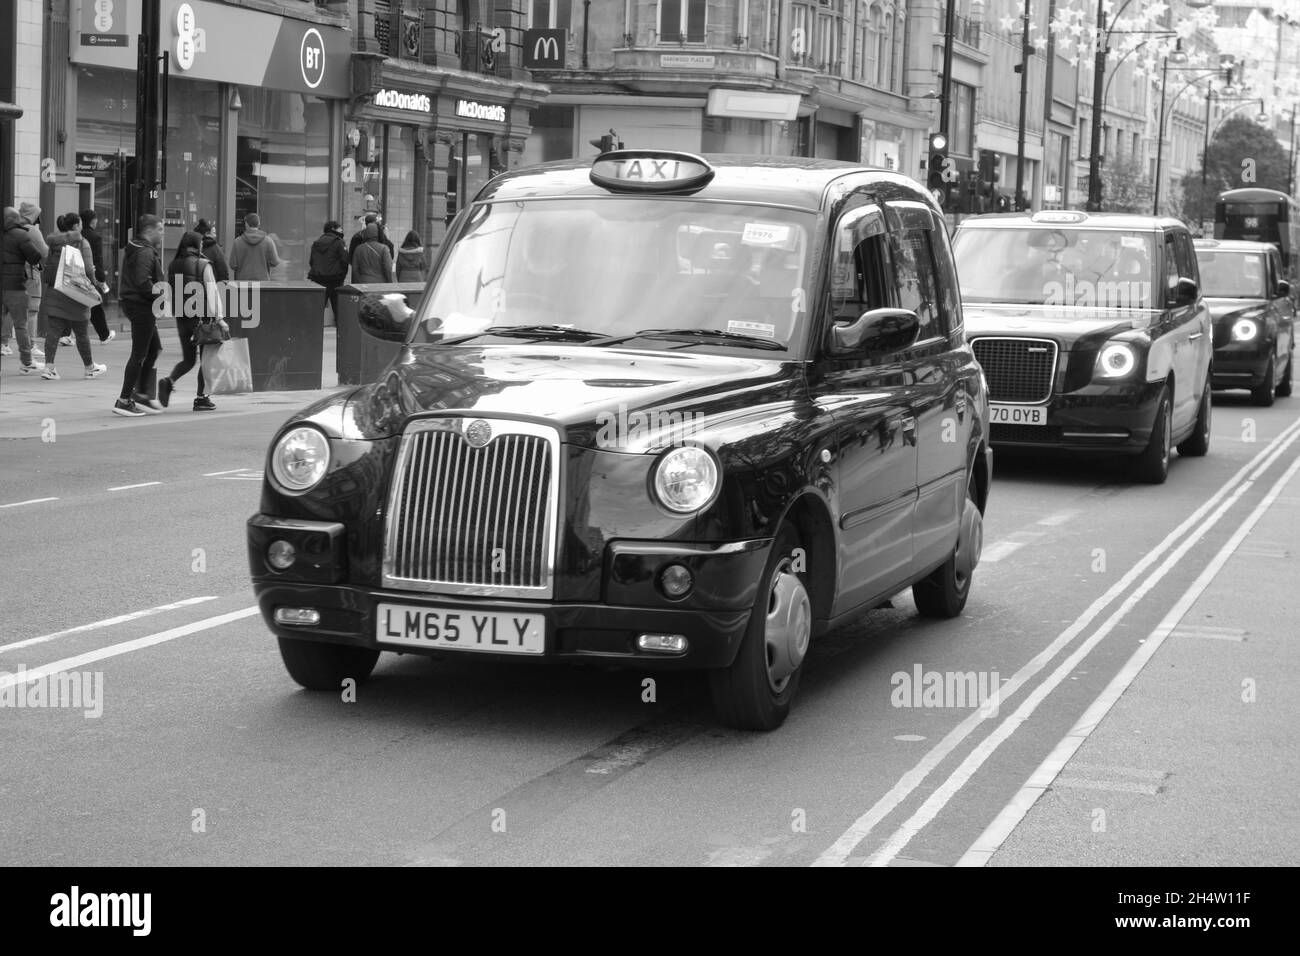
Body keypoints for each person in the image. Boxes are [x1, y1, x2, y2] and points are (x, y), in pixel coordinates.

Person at [38, 212, 107, 381]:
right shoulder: (82, 243)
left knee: (53, 332)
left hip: (55, 290)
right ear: (77, 226)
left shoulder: (54, 242)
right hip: (76, 293)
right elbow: (89, 269)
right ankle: (89, 368)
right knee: (82, 333)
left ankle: (49, 368)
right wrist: (95, 286)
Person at [158, 230, 220, 411]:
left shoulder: (173, 265)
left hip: (182, 319)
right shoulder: (203, 265)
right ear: (196, 245)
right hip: (202, 319)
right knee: (206, 359)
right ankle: (201, 398)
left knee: (188, 359)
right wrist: (220, 318)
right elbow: (213, 293)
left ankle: (169, 381)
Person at [115, 214, 166, 417]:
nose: (163, 233)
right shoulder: (145, 252)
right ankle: (124, 399)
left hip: (139, 305)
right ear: (149, 231)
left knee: (154, 349)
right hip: (141, 306)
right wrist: (160, 294)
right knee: (139, 354)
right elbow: (143, 282)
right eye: (160, 229)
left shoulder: (139, 249)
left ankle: (141, 394)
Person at [1, 204, 44, 371]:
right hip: (15, 287)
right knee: (20, 324)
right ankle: (26, 361)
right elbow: (35, 256)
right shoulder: (21, 235)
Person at [79, 209, 115, 344]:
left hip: (73, 275)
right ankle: (104, 334)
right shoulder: (95, 237)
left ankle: (65, 335)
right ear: (93, 221)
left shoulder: (75, 236)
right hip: (89, 275)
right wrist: (101, 279)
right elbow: (97, 260)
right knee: (95, 304)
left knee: (71, 303)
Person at [307, 220, 349, 321]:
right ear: (333, 229)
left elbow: (311, 261)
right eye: (340, 228)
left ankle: (314, 333)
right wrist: (342, 276)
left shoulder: (316, 243)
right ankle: (341, 334)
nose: (342, 230)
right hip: (335, 280)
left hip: (318, 280)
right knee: (338, 310)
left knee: (317, 310)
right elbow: (345, 261)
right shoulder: (339, 242)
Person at [228, 212, 280, 281]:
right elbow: (275, 262)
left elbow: (233, 264)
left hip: (243, 283)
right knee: (261, 292)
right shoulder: (268, 241)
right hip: (263, 283)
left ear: (246, 224)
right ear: (259, 224)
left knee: (246, 292)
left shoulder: (237, 242)